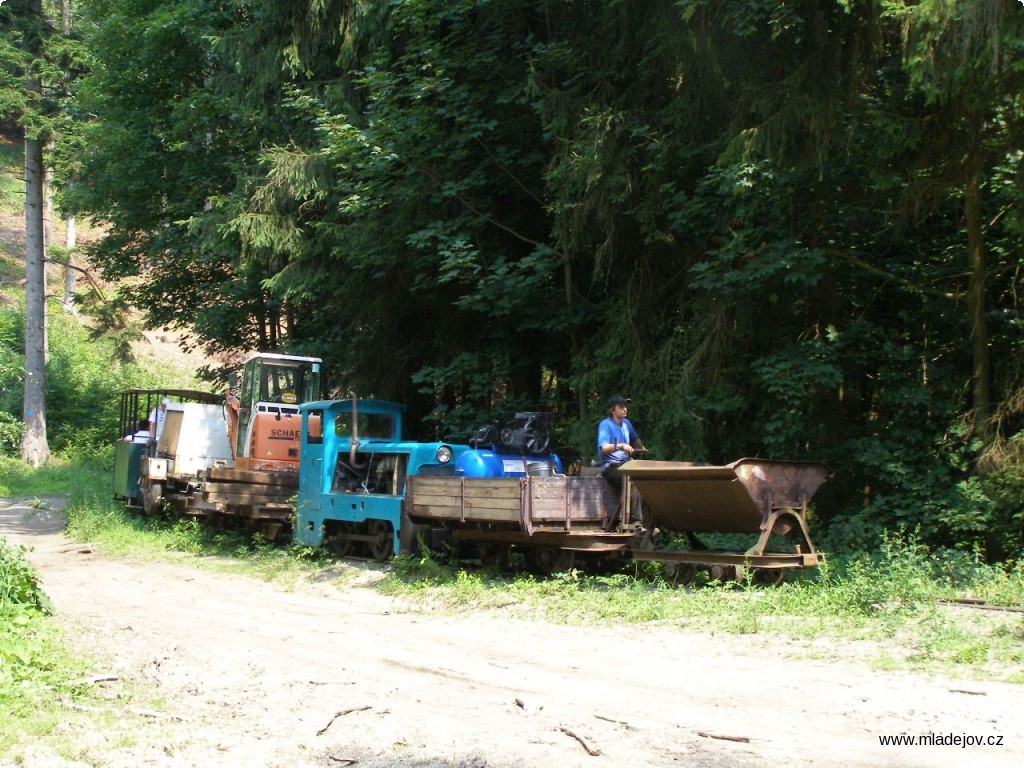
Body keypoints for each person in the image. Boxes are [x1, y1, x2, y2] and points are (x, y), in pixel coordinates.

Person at [596, 394, 647, 525]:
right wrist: (621, 445)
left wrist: (643, 450)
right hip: (611, 467)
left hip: (626, 465)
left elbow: (637, 442)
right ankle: (635, 521)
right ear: (612, 410)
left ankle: (648, 520)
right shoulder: (605, 425)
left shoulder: (627, 424)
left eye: (625, 407)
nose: (625, 409)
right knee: (631, 479)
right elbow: (604, 448)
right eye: (621, 407)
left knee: (645, 477)